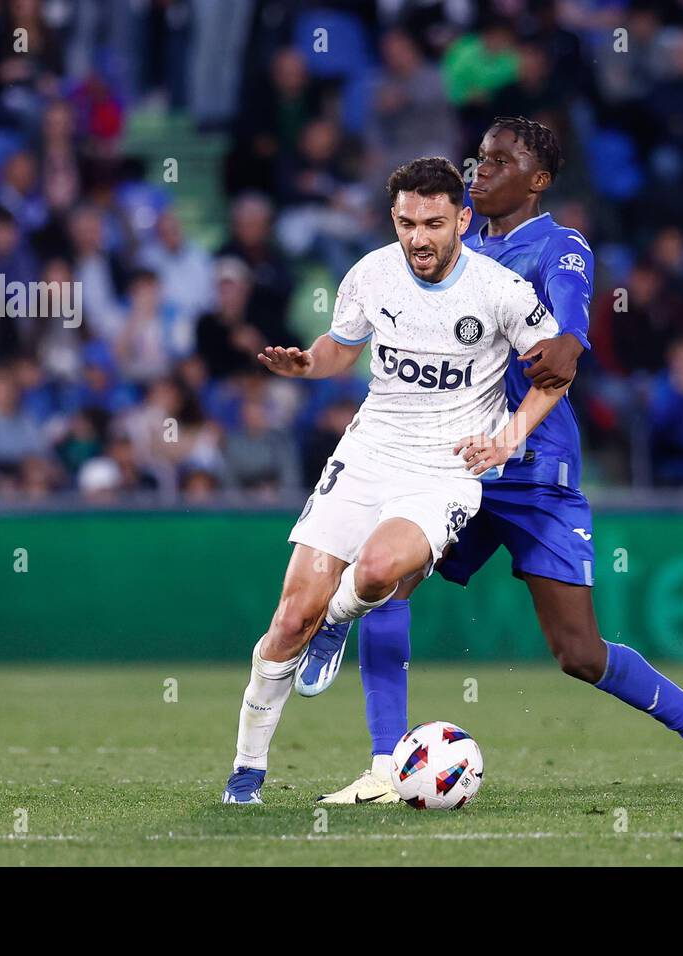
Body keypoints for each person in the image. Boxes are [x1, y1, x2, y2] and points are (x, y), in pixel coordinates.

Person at [299, 118, 683, 806]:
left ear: (538, 181)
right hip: (455, 461)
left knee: (579, 652)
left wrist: (567, 342)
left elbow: (567, 336)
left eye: (502, 161)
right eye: (480, 157)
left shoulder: (560, 246)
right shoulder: (452, 245)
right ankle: (386, 767)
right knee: (385, 577)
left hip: (534, 466)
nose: (483, 168)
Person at [220, 157, 567, 805]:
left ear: (463, 219)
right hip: (368, 453)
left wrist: (509, 435)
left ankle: (339, 621)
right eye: (407, 222)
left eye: (434, 223)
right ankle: (247, 770)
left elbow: (558, 370)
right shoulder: (370, 273)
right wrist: (307, 364)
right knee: (291, 615)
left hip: (445, 471)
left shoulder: (500, 291)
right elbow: (340, 347)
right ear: (393, 220)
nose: (419, 238)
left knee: (378, 570)